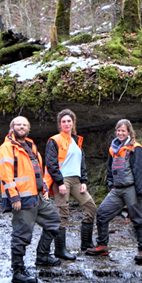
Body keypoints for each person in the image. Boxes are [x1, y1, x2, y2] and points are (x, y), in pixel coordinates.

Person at [0, 116, 63, 283]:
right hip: (22, 199)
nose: (21, 127)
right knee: (21, 235)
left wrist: (44, 188)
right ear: (12, 127)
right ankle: (17, 271)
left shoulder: (30, 145)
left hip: (37, 196)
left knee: (54, 222)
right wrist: (14, 197)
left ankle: (42, 256)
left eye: (24, 124)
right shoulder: (6, 148)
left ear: (28, 128)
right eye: (18, 124)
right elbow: (5, 175)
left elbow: (37, 171)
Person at [86, 119, 142, 262]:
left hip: (131, 189)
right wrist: (111, 185)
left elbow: (140, 171)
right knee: (102, 213)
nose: (120, 133)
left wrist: (140, 193)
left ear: (129, 132)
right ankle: (102, 245)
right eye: (118, 130)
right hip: (117, 190)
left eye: (123, 131)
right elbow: (109, 169)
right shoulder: (113, 148)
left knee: (138, 219)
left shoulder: (135, 148)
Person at [43, 109, 98, 257]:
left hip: (76, 180)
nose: (66, 124)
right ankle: (60, 250)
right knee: (62, 213)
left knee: (91, 207)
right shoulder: (54, 140)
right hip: (62, 179)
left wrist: (84, 180)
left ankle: (86, 243)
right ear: (60, 124)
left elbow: (81, 163)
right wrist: (59, 182)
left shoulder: (76, 140)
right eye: (63, 121)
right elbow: (51, 163)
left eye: (69, 121)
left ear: (73, 123)